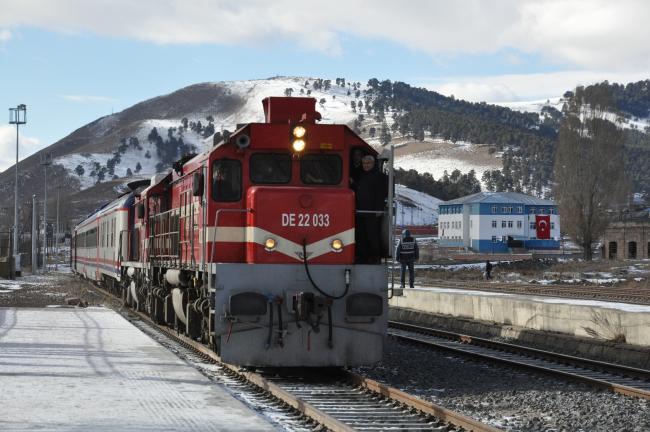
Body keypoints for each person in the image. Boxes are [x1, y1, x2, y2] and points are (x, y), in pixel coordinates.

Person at [355, 155, 387, 264]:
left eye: (368, 163)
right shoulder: (361, 175)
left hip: (372, 213)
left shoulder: (379, 176)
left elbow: (380, 193)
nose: (366, 165)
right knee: (361, 237)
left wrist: (378, 209)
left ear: (373, 164)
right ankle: (363, 257)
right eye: (364, 163)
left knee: (372, 236)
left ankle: (375, 257)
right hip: (360, 212)